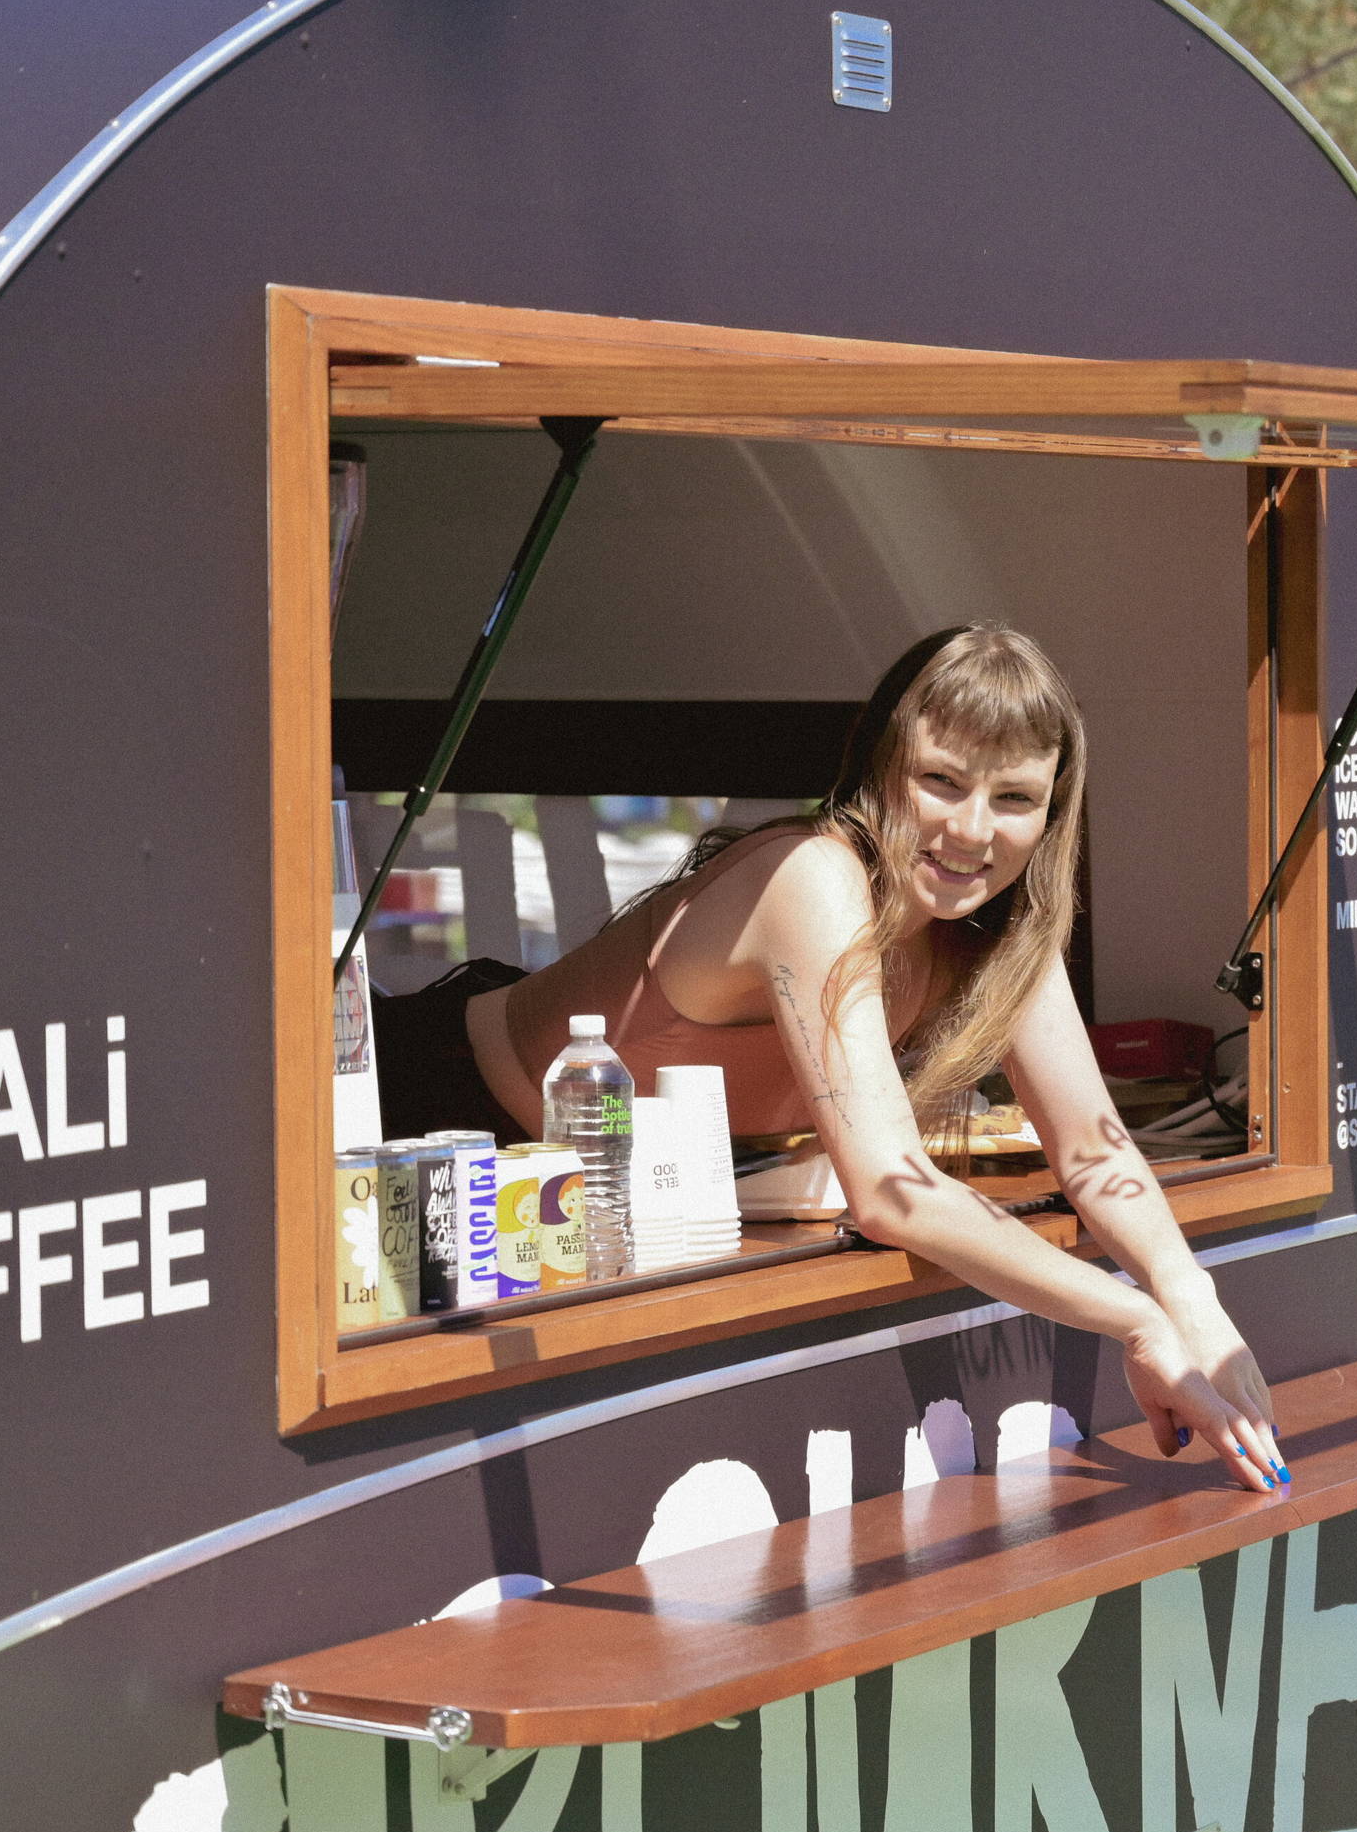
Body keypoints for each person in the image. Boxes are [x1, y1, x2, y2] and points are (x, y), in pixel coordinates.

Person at [374, 625, 1288, 1492]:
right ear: (878, 768)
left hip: (593, 1201)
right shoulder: (815, 874)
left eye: (1014, 799)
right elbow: (893, 1194)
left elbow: (1094, 1153)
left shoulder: (1006, 926)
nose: (972, 831)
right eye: (940, 780)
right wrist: (1135, 1320)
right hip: (431, 1114)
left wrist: (1193, 1302)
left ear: (1052, 813)